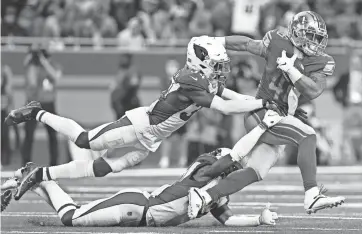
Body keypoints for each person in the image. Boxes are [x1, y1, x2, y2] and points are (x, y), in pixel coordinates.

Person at [6, 36, 282, 201]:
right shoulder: (190, 79)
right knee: (85, 140)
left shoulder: (203, 78)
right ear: (200, 62)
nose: (220, 71)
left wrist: (263, 102)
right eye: (216, 66)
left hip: (152, 140)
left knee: (103, 169)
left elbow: (233, 98)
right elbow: (223, 107)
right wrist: (262, 102)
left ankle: (41, 174)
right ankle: (37, 112)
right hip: (140, 126)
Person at [187, 11, 345, 217]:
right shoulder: (277, 42)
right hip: (262, 112)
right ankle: (312, 194)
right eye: (310, 35)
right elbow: (246, 44)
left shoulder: (320, 61)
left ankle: (205, 196)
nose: (315, 42)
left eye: (317, 37)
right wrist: (215, 40)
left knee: (256, 171)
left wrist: (293, 72)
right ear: (297, 32)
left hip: (279, 115)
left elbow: (314, 90)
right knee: (308, 135)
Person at [1, 109, 282, 225]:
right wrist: (261, 128)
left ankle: (36, 179)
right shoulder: (205, 171)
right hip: (137, 205)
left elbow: (229, 220)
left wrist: (258, 220)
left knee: (72, 214)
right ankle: (39, 176)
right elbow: (233, 156)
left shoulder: (217, 190)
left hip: (142, 214)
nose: (235, 167)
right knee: (70, 218)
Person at [22, 43, 62, 167]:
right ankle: (26, 163)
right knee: (29, 134)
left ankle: (54, 163)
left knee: (52, 135)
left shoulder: (53, 66)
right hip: (32, 104)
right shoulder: (32, 66)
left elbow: (56, 76)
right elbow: (31, 81)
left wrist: (44, 62)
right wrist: (32, 59)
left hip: (48, 103)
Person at [333, 52, 362, 163]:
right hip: (349, 106)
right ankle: (346, 157)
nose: (356, 65)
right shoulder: (345, 75)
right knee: (345, 132)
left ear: (361, 63)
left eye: (358, 62)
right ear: (351, 63)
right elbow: (335, 88)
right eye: (354, 62)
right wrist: (341, 100)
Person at [110, 53, 142, 120]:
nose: (123, 60)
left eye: (125, 58)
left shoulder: (132, 71)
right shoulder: (120, 71)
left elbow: (134, 84)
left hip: (128, 102)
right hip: (119, 102)